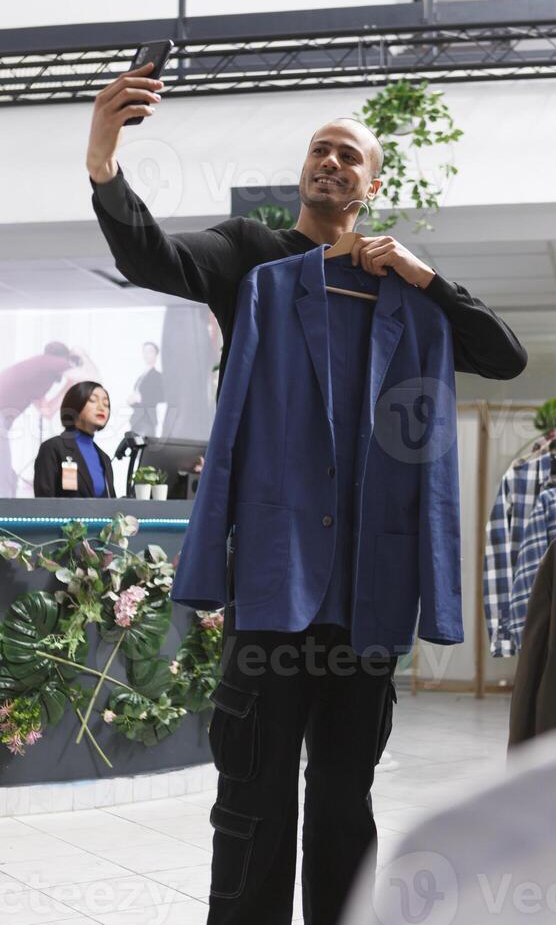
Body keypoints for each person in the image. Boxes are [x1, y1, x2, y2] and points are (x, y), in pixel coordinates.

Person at [86, 61, 527, 925]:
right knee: (250, 795)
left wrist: (423, 274)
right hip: (273, 589)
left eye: (348, 156)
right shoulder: (253, 260)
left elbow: (503, 355)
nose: (330, 163)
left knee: (343, 799)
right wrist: (105, 158)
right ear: (304, 173)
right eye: (319, 151)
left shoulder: (403, 294)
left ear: (372, 184)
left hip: (367, 595)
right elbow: (153, 257)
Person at [0, 342, 91, 498]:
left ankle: (7, 517)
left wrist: (68, 385)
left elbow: (47, 411)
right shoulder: (52, 361)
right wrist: (83, 356)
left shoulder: (38, 374)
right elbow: (89, 377)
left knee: (9, 478)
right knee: (4, 481)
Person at [33, 381, 116, 498]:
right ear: (75, 404)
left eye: (106, 404)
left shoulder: (104, 458)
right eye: (93, 400)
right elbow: (44, 504)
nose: (101, 407)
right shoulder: (53, 448)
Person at [127, 340, 165, 436]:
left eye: (150, 351)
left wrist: (141, 398)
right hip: (137, 420)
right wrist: (132, 401)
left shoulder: (158, 376)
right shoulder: (141, 377)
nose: (146, 354)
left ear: (156, 354)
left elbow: (162, 397)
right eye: (145, 351)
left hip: (147, 421)